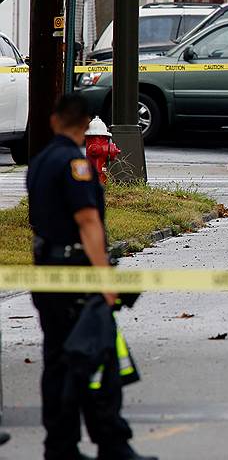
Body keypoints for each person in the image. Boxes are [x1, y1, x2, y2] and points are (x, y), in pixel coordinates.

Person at [27, 93, 155, 460]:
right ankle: (112, 443)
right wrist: (105, 280)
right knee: (98, 359)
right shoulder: (76, 165)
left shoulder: (39, 163)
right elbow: (88, 222)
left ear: (54, 121)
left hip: (46, 274)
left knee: (57, 362)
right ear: (85, 125)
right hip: (77, 277)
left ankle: (60, 446)